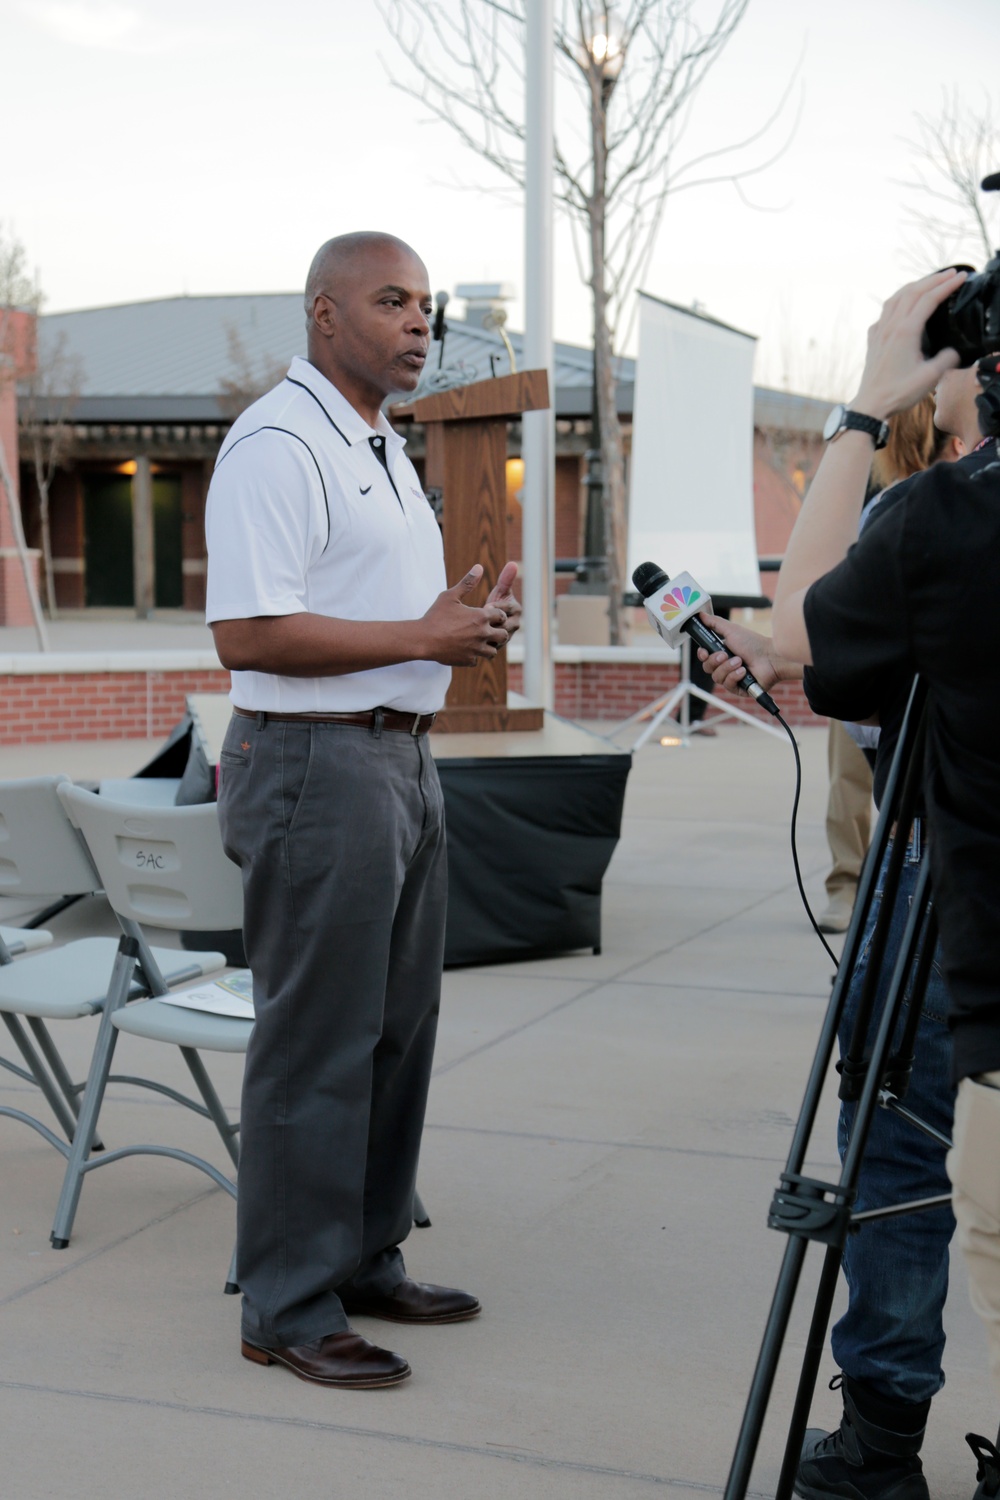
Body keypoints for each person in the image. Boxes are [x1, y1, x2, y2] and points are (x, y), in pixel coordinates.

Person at [206, 231, 521, 1390]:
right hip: (312, 767)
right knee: (316, 1045)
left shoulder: (380, 447)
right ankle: (285, 1307)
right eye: (391, 301)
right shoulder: (277, 443)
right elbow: (249, 632)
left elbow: (376, 615)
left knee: (396, 1033)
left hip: (400, 761)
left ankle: (360, 1257)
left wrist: (455, 628)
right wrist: (418, 638)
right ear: (324, 314)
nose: (418, 323)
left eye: (426, 305)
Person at [698, 331, 999, 1500]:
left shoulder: (939, 517)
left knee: (896, 1145)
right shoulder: (932, 516)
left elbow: (806, 637)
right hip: (930, 857)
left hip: (947, 878)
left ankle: (876, 1441)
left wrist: (869, 397)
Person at [817, 398, 964, 936]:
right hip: (860, 660)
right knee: (850, 780)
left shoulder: (946, 489)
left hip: (901, 676)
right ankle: (847, 882)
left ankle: (868, 889)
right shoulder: (870, 485)